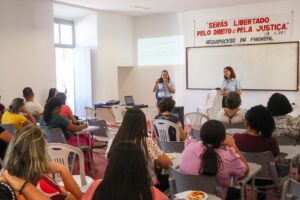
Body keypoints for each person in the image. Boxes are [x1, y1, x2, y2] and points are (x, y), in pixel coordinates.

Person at [2, 125, 82, 199]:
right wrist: (63, 169)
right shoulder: (40, 183)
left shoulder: (9, 176)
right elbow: (79, 198)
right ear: (40, 153)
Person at [106, 108, 172, 187]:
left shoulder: (113, 141)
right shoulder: (145, 142)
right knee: (171, 180)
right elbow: (166, 164)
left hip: (118, 187)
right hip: (144, 189)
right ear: (142, 124)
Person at [82, 141, 169, 200]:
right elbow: (166, 163)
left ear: (111, 164)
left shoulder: (96, 187)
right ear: (141, 167)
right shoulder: (151, 193)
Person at [41, 97, 94, 169]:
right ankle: (88, 167)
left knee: (84, 137)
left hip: (52, 144)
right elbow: (75, 129)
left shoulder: (43, 118)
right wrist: (83, 126)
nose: (61, 109)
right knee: (87, 138)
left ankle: (87, 165)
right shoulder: (58, 118)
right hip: (67, 143)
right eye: (61, 107)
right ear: (57, 108)